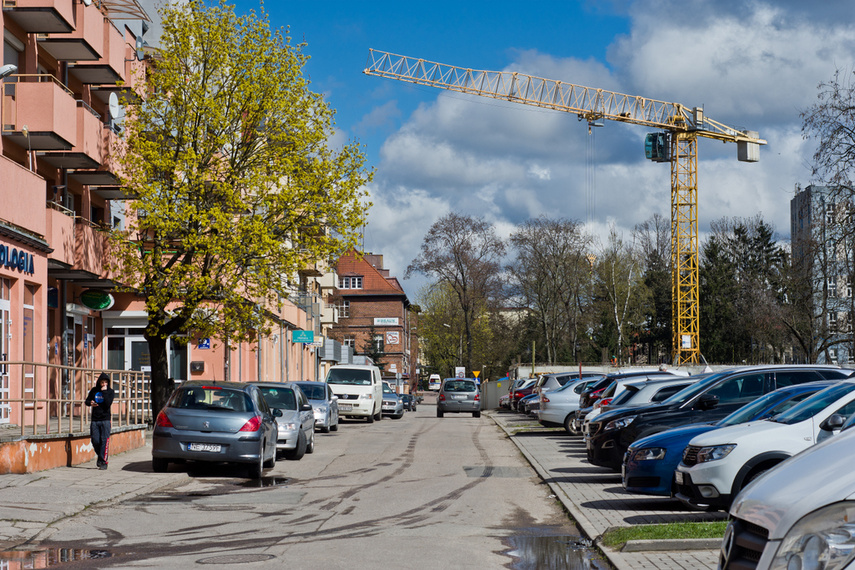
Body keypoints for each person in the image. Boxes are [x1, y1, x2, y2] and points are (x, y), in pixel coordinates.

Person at [85, 373, 115, 470]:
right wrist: (91, 403)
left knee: (104, 441)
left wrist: (105, 392)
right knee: (95, 440)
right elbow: (87, 401)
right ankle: (100, 456)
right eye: (102, 382)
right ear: (99, 382)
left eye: (105, 382)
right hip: (95, 420)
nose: (104, 384)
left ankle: (103, 462)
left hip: (105, 420)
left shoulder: (110, 392)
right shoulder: (94, 390)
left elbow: (107, 403)